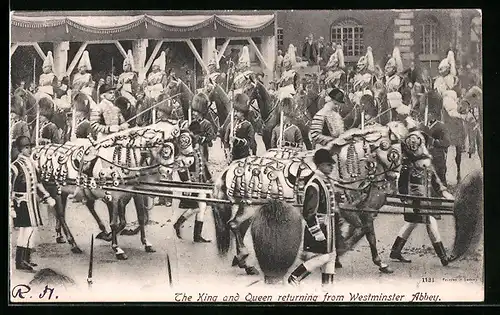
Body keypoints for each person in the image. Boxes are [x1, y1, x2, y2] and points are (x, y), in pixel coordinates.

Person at [389, 127, 454, 266]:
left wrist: (444, 192)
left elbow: (434, 179)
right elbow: (402, 183)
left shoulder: (426, 161)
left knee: (411, 224)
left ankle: (395, 251)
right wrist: (405, 198)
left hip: (425, 199)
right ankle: (443, 257)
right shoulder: (408, 164)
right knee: (431, 224)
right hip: (416, 200)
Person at [288, 148, 338, 286]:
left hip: (329, 227)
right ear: (320, 165)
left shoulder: (324, 181)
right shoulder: (314, 184)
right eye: (328, 164)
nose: (331, 166)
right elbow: (309, 213)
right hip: (319, 228)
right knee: (325, 257)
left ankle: (327, 290)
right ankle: (295, 277)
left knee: (331, 257)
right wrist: (317, 233)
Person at [172, 94, 214, 243]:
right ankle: (181, 225)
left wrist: (209, 179)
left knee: (202, 206)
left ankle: (195, 234)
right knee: (200, 206)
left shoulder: (207, 124)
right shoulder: (190, 150)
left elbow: (210, 138)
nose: (195, 113)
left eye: (197, 111)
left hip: (201, 162)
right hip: (195, 176)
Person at [11, 136, 56, 271]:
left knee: (32, 230)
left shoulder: (31, 164)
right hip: (22, 203)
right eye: (26, 148)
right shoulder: (15, 166)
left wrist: (47, 196)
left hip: (31, 202)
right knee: (26, 231)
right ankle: (20, 261)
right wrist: (11, 207)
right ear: (20, 149)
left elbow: (38, 183)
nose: (29, 150)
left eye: (30, 147)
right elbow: (10, 188)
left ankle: (27, 258)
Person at [223, 93, 257, 162]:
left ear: (243, 112)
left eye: (238, 111)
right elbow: (226, 141)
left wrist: (237, 141)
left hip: (244, 157)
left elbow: (251, 143)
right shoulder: (230, 125)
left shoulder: (248, 125)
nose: (235, 114)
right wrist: (227, 155)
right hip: (233, 157)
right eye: (235, 111)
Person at [426, 106, 451, 185]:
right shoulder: (423, 125)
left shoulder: (441, 126)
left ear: (434, 115)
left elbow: (447, 142)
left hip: (438, 157)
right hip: (425, 156)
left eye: (429, 114)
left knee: (440, 178)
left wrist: (434, 142)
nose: (427, 115)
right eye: (426, 113)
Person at [11, 95, 30, 162]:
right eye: (11, 112)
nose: (11, 114)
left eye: (14, 112)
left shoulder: (23, 124)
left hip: (17, 151)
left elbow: (26, 140)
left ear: (18, 113)